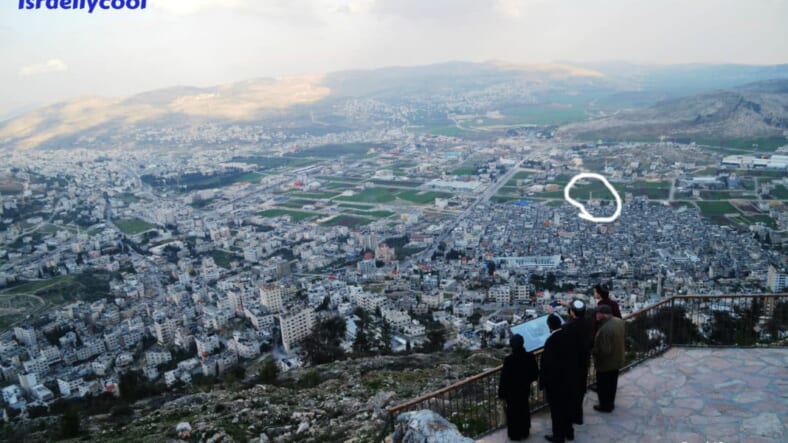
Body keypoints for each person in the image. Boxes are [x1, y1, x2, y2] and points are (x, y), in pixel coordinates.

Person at [539, 314, 577, 443]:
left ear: (549, 326)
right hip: (569, 379)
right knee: (567, 407)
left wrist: (542, 382)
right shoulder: (568, 336)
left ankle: (558, 436)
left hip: (556, 383)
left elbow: (546, 364)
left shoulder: (551, 341)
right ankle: (569, 432)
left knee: (556, 410)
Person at [498, 333, 539, 441]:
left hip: (512, 392)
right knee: (524, 408)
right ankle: (525, 431)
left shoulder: (509, 360)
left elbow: (504, 379)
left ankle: (515, 434)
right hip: (524, 388)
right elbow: (535, 374)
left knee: (513, 412)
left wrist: (501, 394)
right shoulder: (530, 357)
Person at [561, 299, 593, 425]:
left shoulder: (569, 327)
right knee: (580, 389)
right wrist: (567, 305)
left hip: (571, 363)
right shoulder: (588, 322)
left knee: (570, 390)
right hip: (583, 361)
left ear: (572, 313)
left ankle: (571, 416)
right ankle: (578, 416)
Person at [593, 304, 626, 413]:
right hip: (617, 358)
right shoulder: (619, 321)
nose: (596, 315)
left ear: (603, 315)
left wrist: (594, 352)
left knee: (603, 387)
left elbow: (604, 351)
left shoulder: (605, 329)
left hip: (606, 364)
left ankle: (605, 406)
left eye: (598, 313)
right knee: (612, 385)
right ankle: (610, 403)